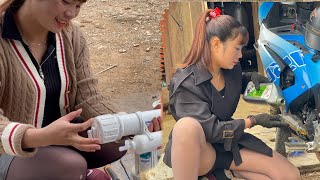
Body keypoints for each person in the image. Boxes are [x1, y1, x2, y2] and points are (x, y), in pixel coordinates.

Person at [0, 0, 161, 179]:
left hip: (59, 139)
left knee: (116, 139)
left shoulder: (71, 36)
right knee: (69, 165)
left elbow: (89, 97)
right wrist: (41, 136)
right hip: (9, 151)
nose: (71, 14)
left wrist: (134, 124)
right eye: (66, 2)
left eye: (78, 5)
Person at [163, 8, 301, 180]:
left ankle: (227, 173)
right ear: (215, 44)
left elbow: (236, 85)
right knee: (186, 128)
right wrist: (252, 121)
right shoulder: (186, 83)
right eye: (236, 48)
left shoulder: (232, 70)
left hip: (228, 147)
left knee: (289, 175)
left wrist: (250, 79)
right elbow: (211, 131)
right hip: (202, 154)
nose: (240, 55)